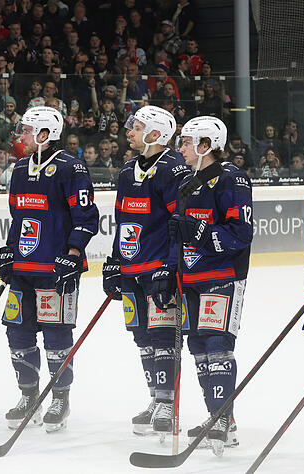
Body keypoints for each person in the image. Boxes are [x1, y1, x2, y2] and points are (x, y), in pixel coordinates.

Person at [0, 106, 99, 432]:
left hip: (56, 268)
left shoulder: (72, 168)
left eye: (26, 131)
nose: (20, 136)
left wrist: (73, 252)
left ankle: (59, 398)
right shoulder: (21, 168)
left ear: (44, 135)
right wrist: (10, 250)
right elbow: (19, 217)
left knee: (56, 335)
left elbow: (86, 217)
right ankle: (28, 395)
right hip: (24, 267)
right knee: (17, 331)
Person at [102, 106, 190, 436]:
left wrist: (170, 266)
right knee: (142, 337)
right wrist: (113, 262)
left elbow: (176, 223)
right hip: (131, 268)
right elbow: (123, 220)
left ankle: (168, 402)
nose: (129, 131)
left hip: (158, 270)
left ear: (155, 134)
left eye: (136, 127)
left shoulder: (173, 170)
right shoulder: (127, 171)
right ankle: (155, 399)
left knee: (163, 335)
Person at [170, 115, 253, 455]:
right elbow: (180, 234)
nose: (181, 148)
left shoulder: (232, 178)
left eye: (187, 142)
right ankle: (219, 417)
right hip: (190, 276)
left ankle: (222, 418)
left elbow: (241, 233)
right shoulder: (187, 182)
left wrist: (202, 234)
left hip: (222, 276)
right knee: (200, 347)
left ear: (206, 145)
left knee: (218, 344)